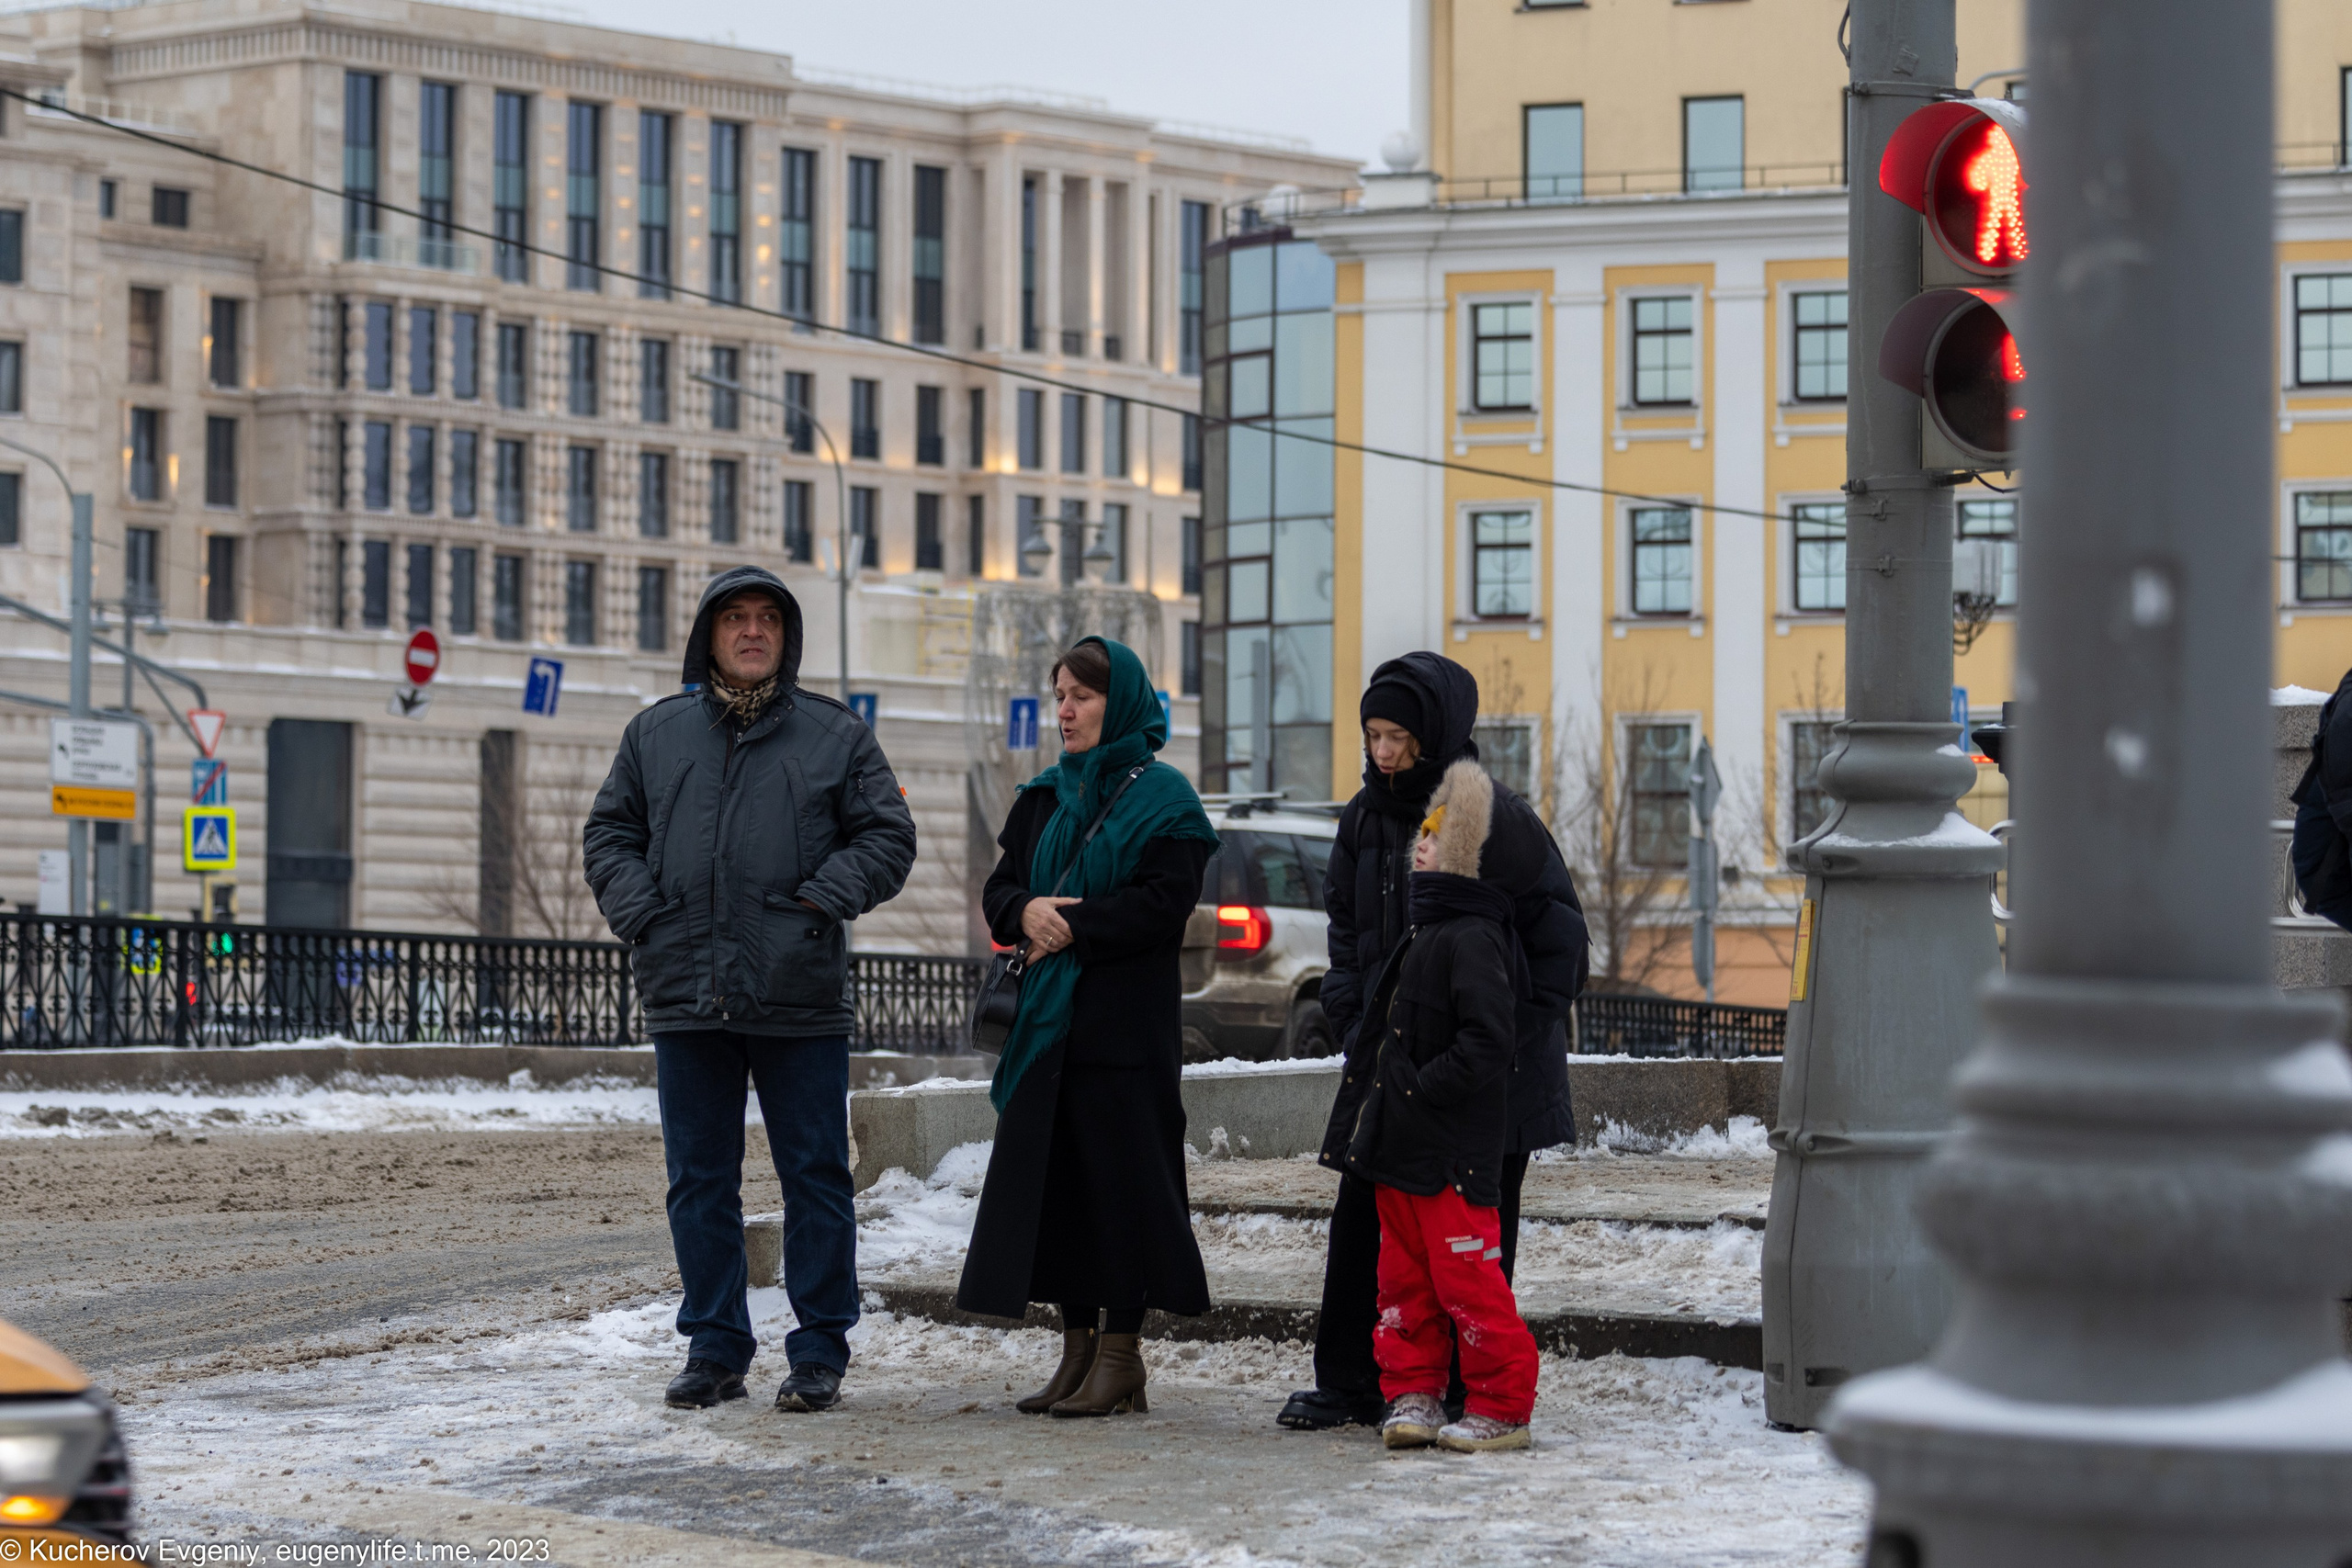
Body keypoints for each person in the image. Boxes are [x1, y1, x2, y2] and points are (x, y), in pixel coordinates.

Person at [583, 565, 918, 1415]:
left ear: (786, 636)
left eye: (768, 618)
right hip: (687, 990)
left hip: (797, 992)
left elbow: (888, 835)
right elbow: (608, 833)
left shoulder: (834, 735)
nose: (753, 631)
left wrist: (821, 899)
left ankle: (818, 1351)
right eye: (736, 618)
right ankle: (716, 1345)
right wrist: (644, 916)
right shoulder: (655, 735)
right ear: (710, 635)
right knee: (700, 1179)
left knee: (814, 1176)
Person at [1279, 652, 1589, 1431]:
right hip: (1392, 1067)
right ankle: (1355, 1381)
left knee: (1472, 1239)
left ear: (1437, 734)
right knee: (1369, 1226)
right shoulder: (1361, 818)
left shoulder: (1489, 817)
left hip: (1489, 1081)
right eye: (1373, 735)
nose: (1383, 753)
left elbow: (1561, 951)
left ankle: (1469, 1391)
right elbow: (1346, 939)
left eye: (1399, 738)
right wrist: (1358, 1027)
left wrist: (1491, 1047)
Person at [956, 637, 1220, 1417]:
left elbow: (1163, 906)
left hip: (1124, 1035)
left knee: (1124, 1191)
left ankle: (1120, 1356)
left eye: (1083, 696)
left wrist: (1076, 924)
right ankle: (1074, 1353)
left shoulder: (1168, 801)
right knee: (1060, 1193)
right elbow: (1001, 888)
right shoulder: (1041, 794)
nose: (1065, 710)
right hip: (1048, 1030)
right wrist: (1026, 910)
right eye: (1059, 695)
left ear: (1123, 703)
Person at [1341, 759, 1542, 1453]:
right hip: (1401, 1153)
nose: (1420, 841)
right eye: (1422, 830)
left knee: (1469, 1282)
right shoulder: (1425, 931)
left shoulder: (1474, 938)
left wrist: (1424, 1091)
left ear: (1469, 855)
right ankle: (1414, 1390)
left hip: (1452, 1154)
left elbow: (1488, 1040)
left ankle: (1503, 1401)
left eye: (1437, 833)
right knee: (1403, 1284)